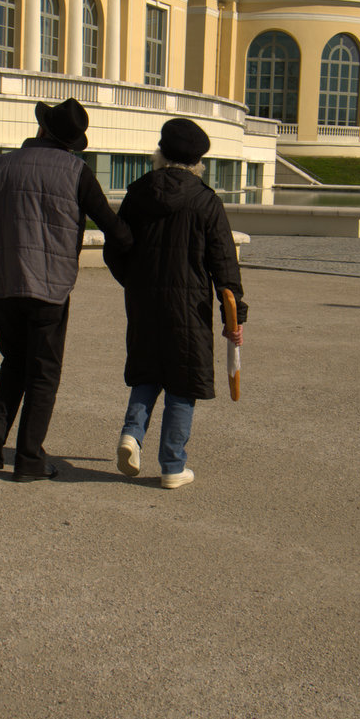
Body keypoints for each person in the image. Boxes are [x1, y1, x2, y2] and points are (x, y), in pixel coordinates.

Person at [0, 97, 132, 482]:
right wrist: (146, 254)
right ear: (70, 141)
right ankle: (30, 459)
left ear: (41, 130)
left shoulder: (0, 166)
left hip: (0, 284)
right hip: (49, 286)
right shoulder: (76, 172)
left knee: (14, 361)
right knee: (43, 372)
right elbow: (111, 226)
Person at [104, 118, 247, 490]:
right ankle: (172, 465)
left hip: (145, 301)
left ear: (161, 153)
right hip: (191, 305)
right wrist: (235, 314)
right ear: (198, 161)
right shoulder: (206, 200)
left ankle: (131, 435)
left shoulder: (138, 194)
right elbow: (224, 261)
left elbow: (116, 247)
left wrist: (134, 283)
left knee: (148, 371)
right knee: (182, 382)